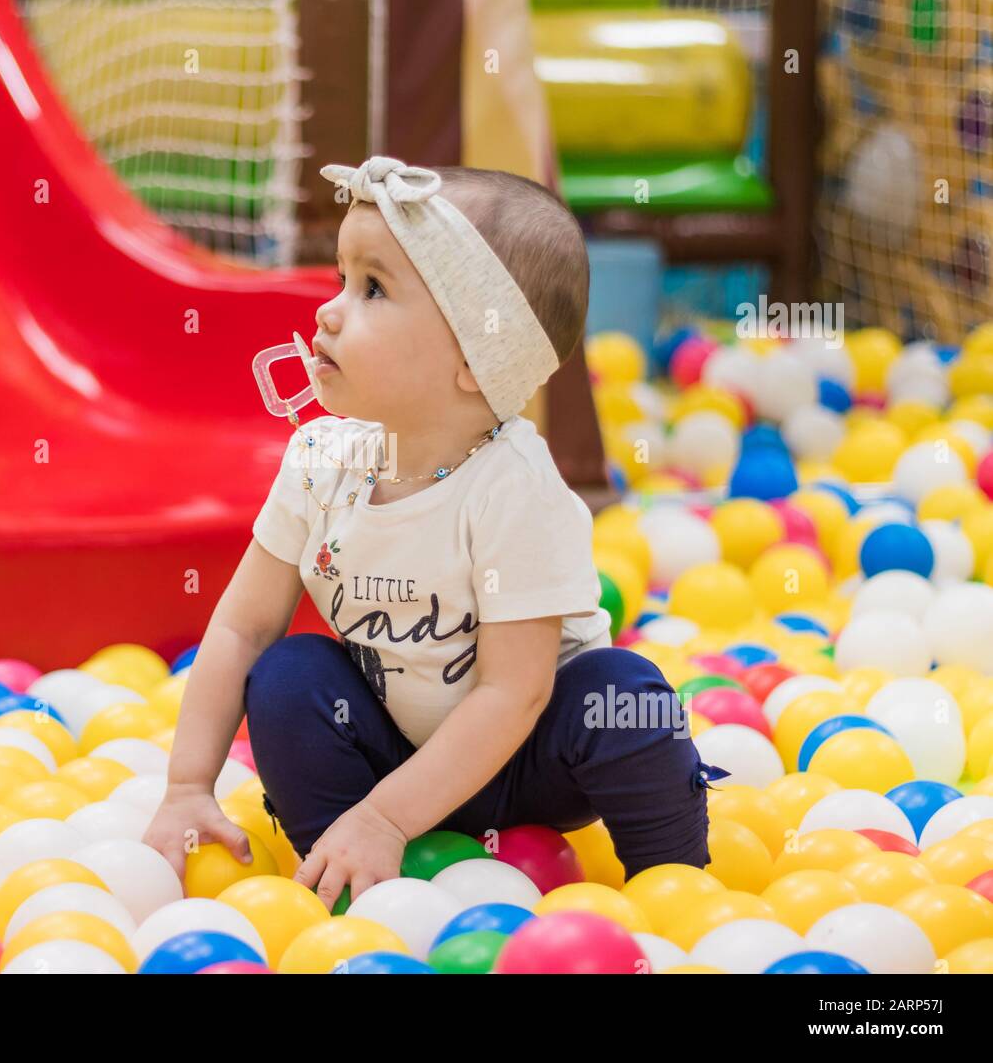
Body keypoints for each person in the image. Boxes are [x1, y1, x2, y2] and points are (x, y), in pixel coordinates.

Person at [143, 156, 720, 909]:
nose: (329, 311)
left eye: (373, 289)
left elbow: (514, 693)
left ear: (477, 362)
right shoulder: (321, 461)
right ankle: (348, 878)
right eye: (341, 280)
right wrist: (188, 784)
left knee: (623, 696)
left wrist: (391, 815)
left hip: (527, 763)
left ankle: (679, 891)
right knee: (288, 676)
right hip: (387, 750)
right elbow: (241, 630)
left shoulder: (513, 487)